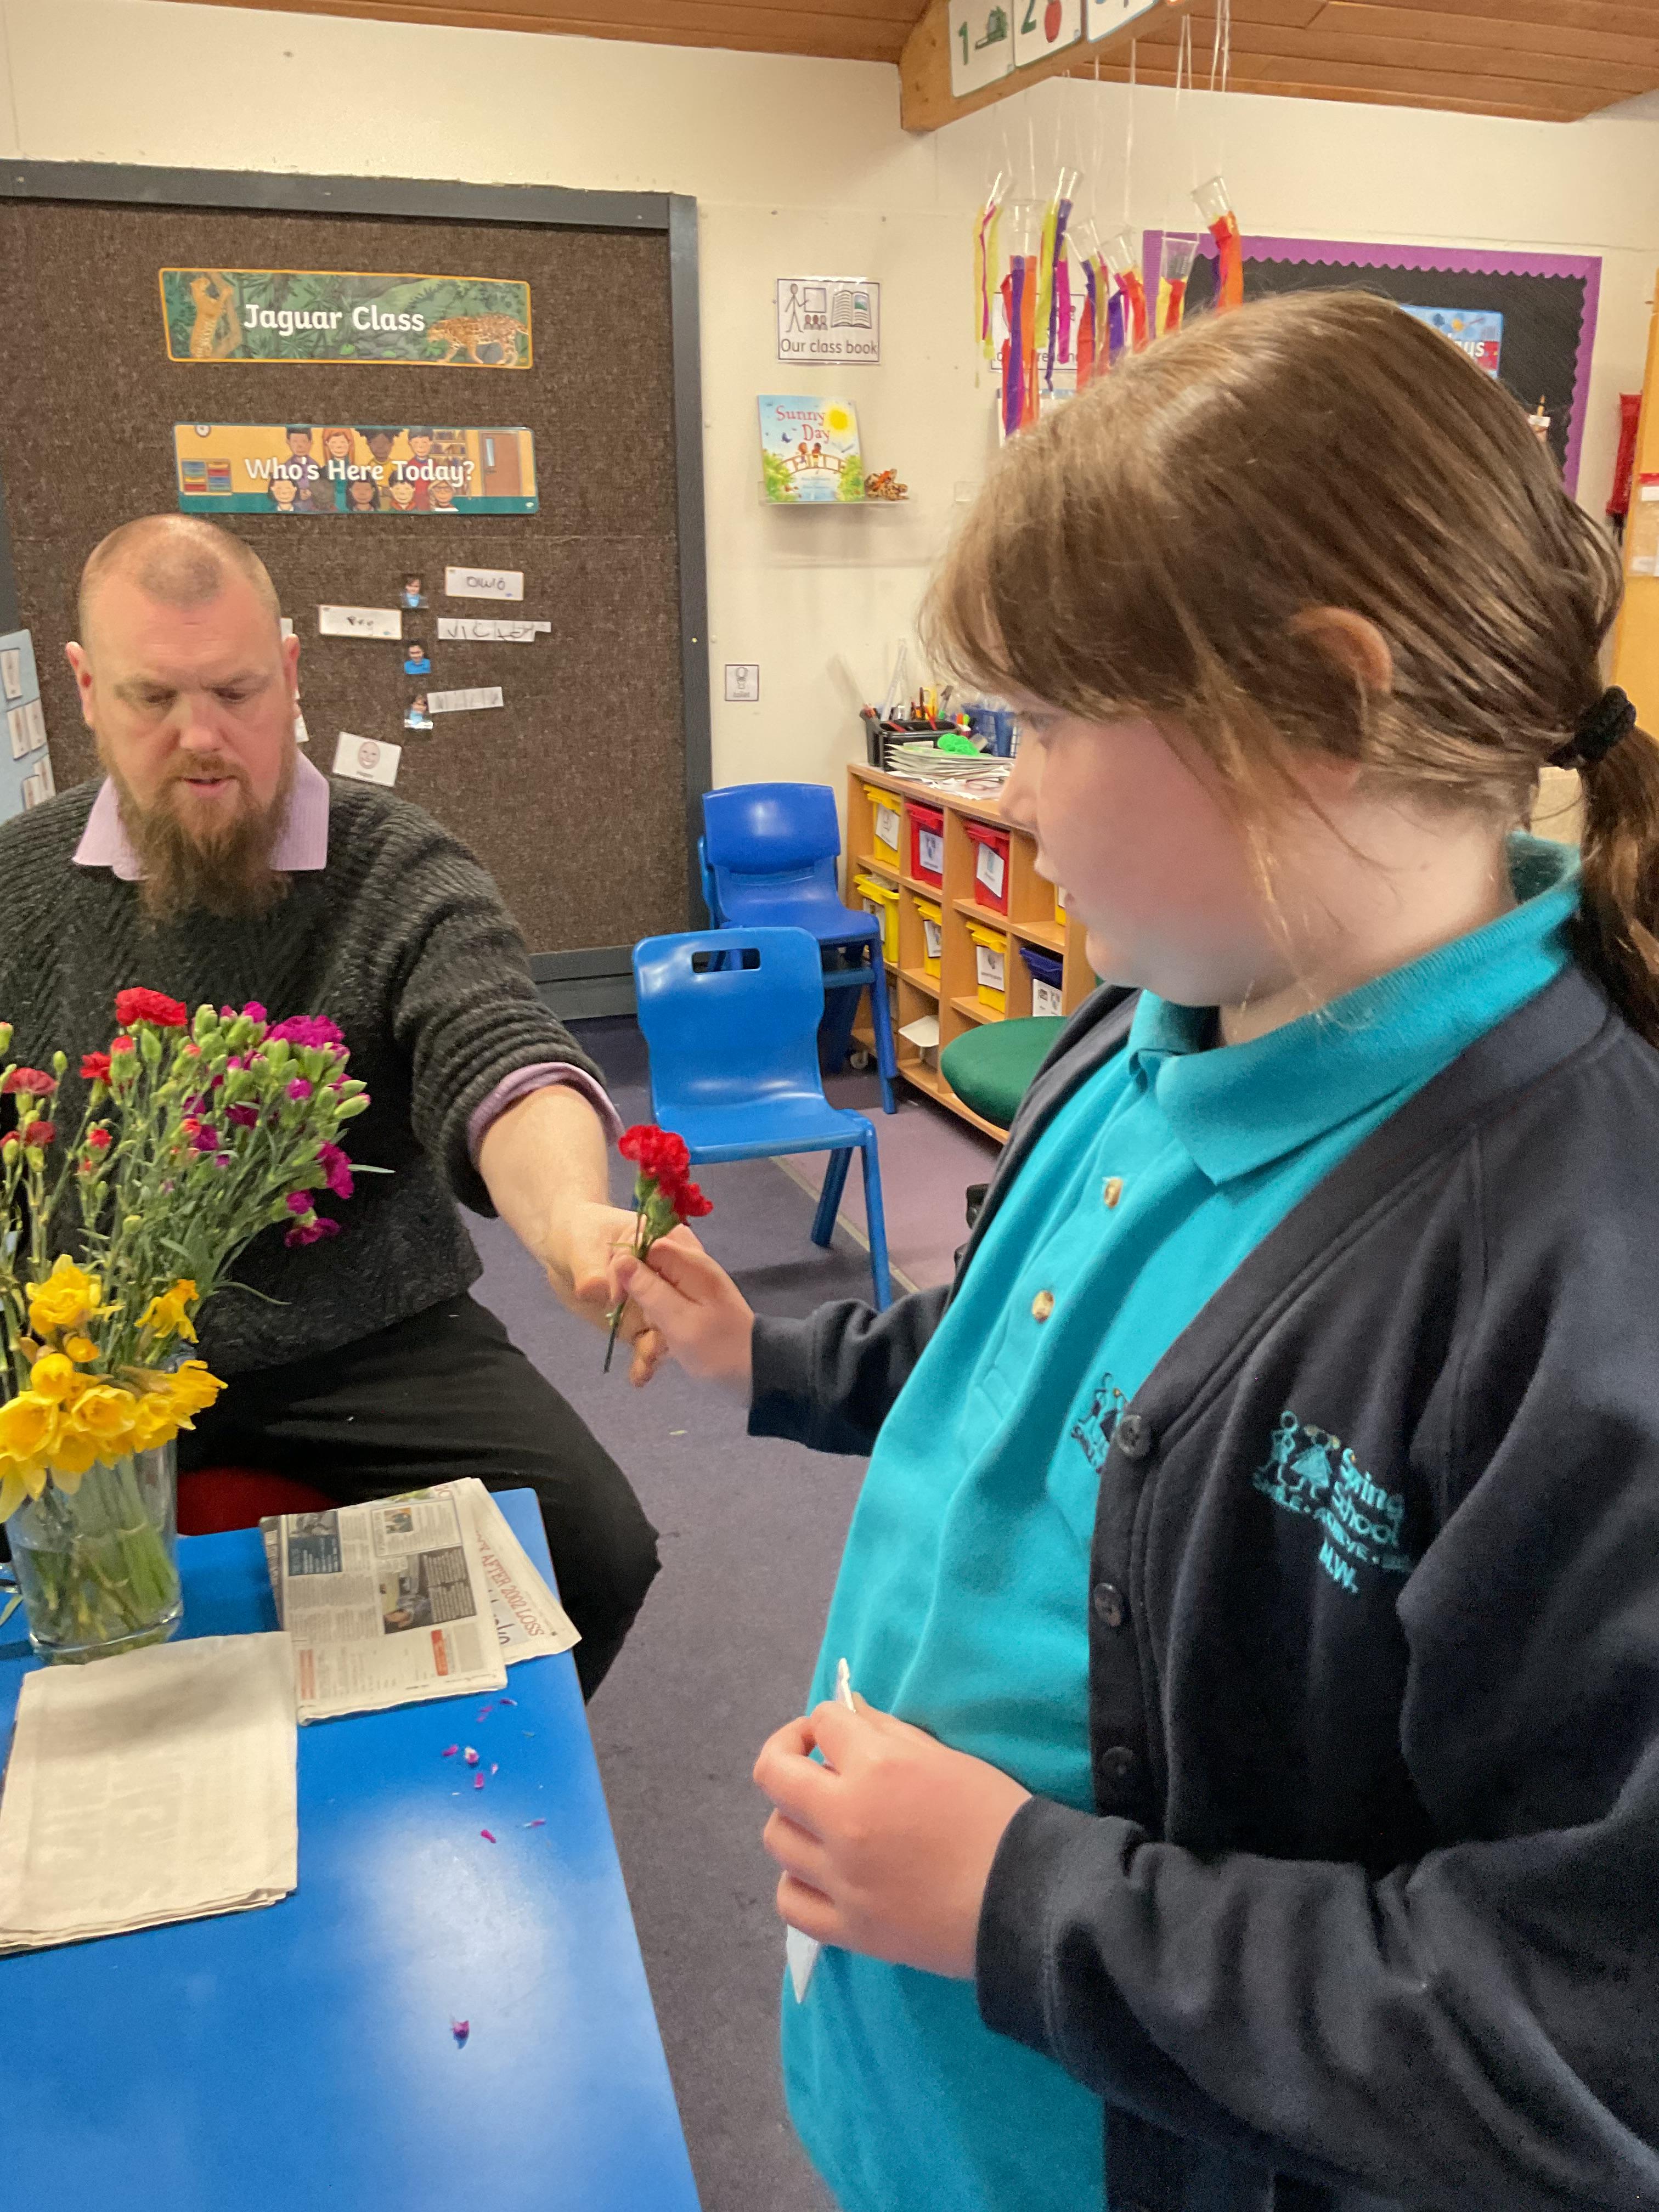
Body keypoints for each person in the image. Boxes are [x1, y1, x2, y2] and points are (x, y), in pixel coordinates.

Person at [611, 292, 1659, 2209]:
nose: (1004, 790)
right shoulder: (1153, 1008)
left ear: (1321, 709)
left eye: (1042, 726)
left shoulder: (1580, 1268)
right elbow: (1026, 1351)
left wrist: (1018, 1898)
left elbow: (1582, 2042)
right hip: (917, 2104)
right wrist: (767, 1357)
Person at [0, 514, 662, 1697]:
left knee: (594, 1546)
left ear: (292, 673)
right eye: (153, 698)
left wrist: (570, 1219)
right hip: (79, 1357)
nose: (202, 738)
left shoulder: (394, 861)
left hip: (364, 1338)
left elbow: (499, 1049)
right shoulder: (19, 885)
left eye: (236, 692)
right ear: (87, 689)